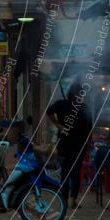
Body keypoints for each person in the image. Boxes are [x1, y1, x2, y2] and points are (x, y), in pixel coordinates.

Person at [46, 81, 93, 209]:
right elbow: (89, 129)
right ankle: (72, 199)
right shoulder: (83, 108)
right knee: (74, 172)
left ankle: (65, 199)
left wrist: (58, 125)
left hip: (68, 144)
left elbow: (49, 112)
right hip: (76, 145)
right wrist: (58, 125)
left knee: (65, 172)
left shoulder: (65, 105)